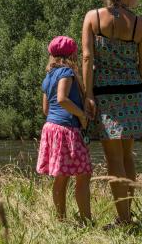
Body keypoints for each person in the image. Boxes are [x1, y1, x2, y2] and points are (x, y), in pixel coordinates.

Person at [81, 0, 142, 226]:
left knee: (114, 159)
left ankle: (124, 219)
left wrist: (87, 94)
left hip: (106, 96)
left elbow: (87, 58)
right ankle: (127, 215)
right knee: (127, 157)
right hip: (134, 96)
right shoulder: (141, 25)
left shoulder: (92, 18)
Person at [36, 36, 92, 222]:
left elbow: (46, 109)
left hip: (51, 128)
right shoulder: (66, 72)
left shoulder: (48, 76)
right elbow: (62, 99)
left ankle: (61, 220)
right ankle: (86, 220)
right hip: (67, 130)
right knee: (83, 175)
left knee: (61, 178)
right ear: (72, 54)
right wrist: (82, 115)